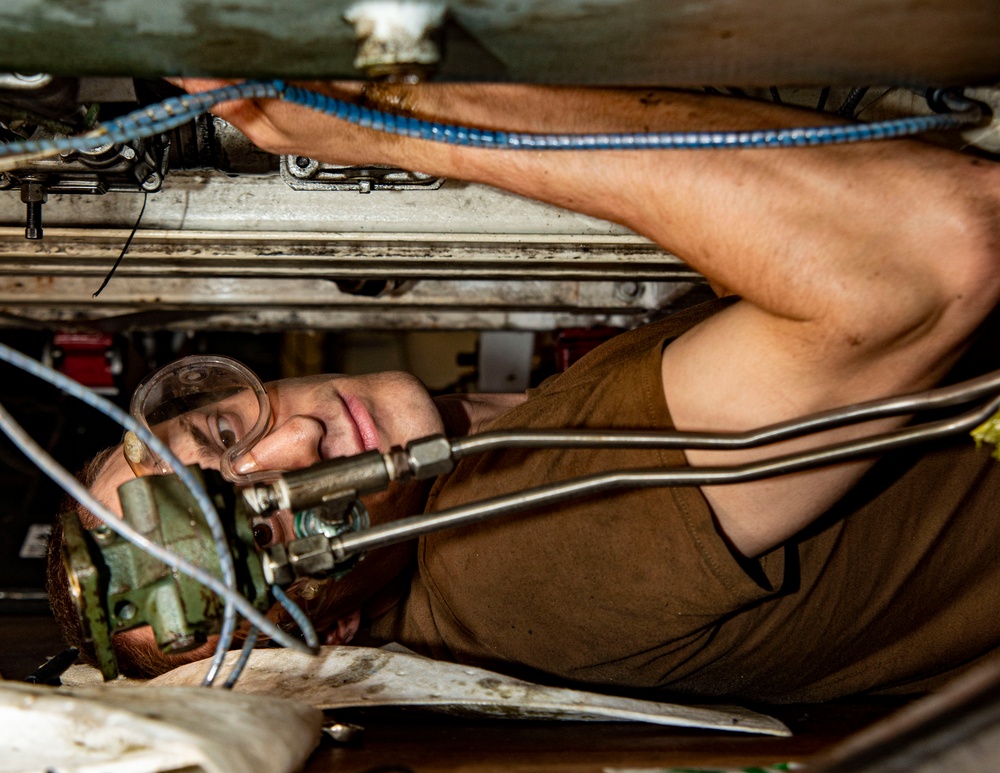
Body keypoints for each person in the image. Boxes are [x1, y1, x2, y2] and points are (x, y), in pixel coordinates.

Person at [47, 80, 1000, 703]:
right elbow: (939, 250)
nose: (298, 444)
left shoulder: (490, 473)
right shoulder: (510, 557)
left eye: (221, 429)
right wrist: (397, 122)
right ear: (326, 628)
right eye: (274, 527)